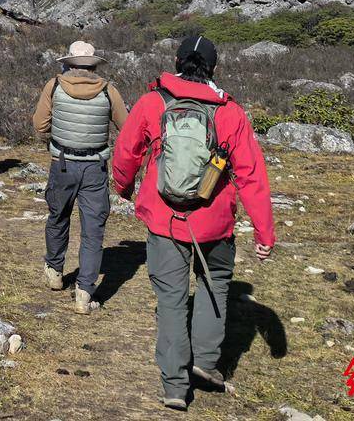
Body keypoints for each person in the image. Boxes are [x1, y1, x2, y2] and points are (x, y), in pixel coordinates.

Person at [110, 34, 276, 411]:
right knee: (215, 284)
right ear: (213, 68)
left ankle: (174, 385)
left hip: (165, 220)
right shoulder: (230, 112)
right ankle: (205, 361)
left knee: (171, 300)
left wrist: (123, 187)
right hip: (214, 223)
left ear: (178, 62)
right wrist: (264, 232)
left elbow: (126, 152)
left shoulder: (153, 102)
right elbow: (252, 176)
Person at [32, 40, 129, 315]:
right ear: (93, 65)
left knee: (58, 216)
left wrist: (58, 131)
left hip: (62, 163)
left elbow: (39, 124)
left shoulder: (54, 86)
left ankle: (54, 271)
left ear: (69, 63)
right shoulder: (108, 91)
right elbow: (126, 126)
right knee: (92, 230)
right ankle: (84, 292)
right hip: (95, 167)